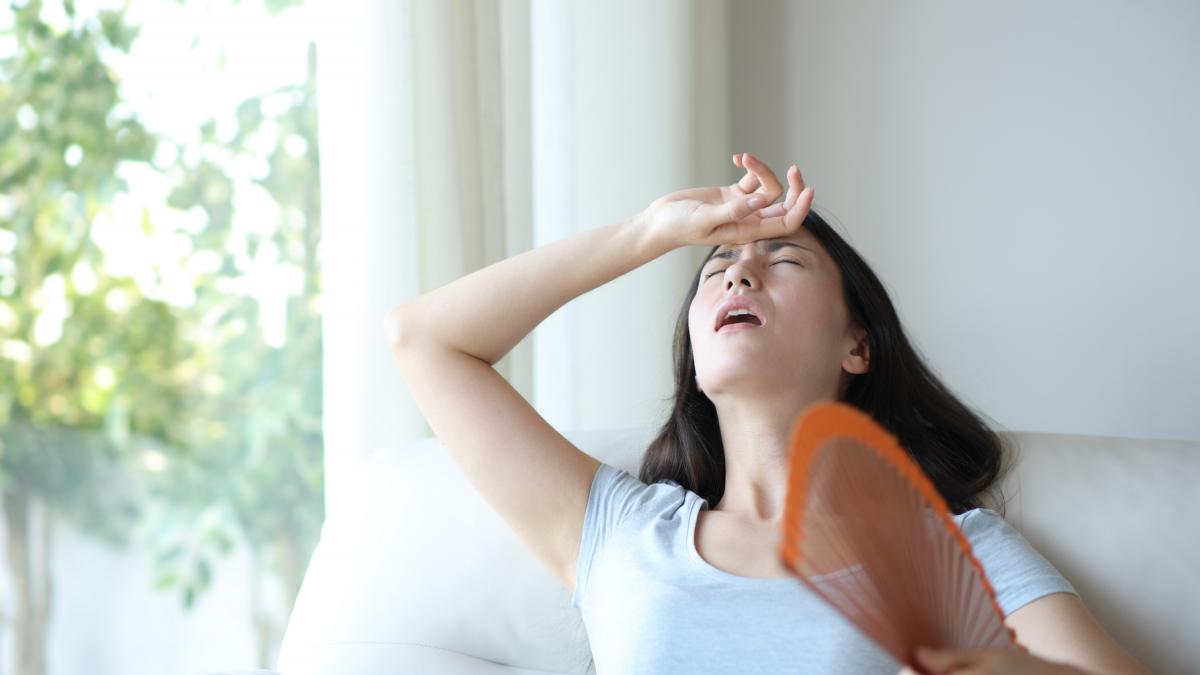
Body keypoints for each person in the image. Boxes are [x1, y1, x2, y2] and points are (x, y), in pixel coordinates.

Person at [384, 153, 1149, 674]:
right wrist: (649, 232)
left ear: (858, 345)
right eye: (716, 266)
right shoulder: (619, 531)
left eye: (782, 259)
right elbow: (426, 340)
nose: (739, 268)